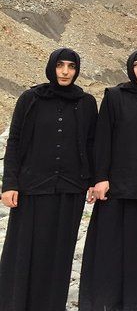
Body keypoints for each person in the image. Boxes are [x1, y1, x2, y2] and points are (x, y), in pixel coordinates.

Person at [0, 48, 98, 311]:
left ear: (77, 70)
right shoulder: (30, 99)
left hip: (70, 189)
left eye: (71, 67)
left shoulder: (86, 103)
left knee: (59, 253)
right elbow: (15, 142)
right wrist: (9, 184)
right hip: (32, 187)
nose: (65, 72)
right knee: (23, 249)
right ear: (51, 67)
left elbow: (91, 144)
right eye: (60, 66)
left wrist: (93, 180)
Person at [79, 50, 137, 311]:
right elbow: (103, 139)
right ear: (130, 69)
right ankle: (105, 301)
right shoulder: (114, 96)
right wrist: (101, 178)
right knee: (110, 244)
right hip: (116, 185)